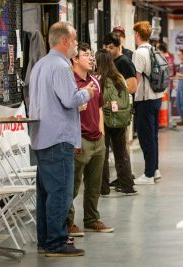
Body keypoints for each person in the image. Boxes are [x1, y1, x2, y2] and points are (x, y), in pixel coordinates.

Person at [29, 22, 96, 257]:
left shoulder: (40, 65)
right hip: (58, 138)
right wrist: (86, 91)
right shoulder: (60, 66)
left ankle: (45, 241)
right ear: (65, 41)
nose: (77, 45)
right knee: (60, 192)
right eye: (76, 40)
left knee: (46, 193)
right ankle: (57, 242)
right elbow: (70, 99)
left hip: (41, 137)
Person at [67, 43, 114, 236]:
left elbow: (101, 107)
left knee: (94, 185)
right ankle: (67, 222)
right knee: (72, 186)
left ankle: (92, 219)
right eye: (86, 55)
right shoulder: (70, 81)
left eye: (91, 55)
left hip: (97, 140)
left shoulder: (95, 80)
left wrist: (101, 130)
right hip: (80, 140)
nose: (91, 58)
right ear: (75, 59)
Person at [95, 48, 138, 197]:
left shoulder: (98, 78)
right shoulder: (119, 77)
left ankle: (104, 189)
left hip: (105, 120)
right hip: (120, 119)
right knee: (122, 154)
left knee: (103, 154)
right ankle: (127, 187)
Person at [131, 21, 163, 185]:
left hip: (144, 100)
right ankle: (155, 169)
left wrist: (129, 92)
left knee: (145, 137)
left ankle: (149, 174)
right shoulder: (153, 50)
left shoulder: (139, 53)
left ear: (137, 34)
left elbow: (135, 80)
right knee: (153, 136)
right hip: (157, 97)